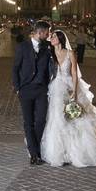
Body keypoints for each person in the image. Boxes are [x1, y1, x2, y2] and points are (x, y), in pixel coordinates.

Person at [40, 29, 96, 167]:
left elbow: (74, 74)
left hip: (69, 86)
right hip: (56, 89)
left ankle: (80, 151)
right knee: (57, 118)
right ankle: (62, 152)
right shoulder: (50, 53)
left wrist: (75, 92)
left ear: (61, 39)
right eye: (51, 37)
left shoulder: (70, 53)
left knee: (78, 118)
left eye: (54, 37)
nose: (52, 38)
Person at [11, 21, 56, 166]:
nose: (48, 35)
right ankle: (34, 154)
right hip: (26, 89)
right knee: (28, 122)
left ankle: (34, 149)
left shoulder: (47, 47)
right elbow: (15, 68)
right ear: (40, 32)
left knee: (41, 120)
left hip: (41, 89)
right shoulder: (22, 47)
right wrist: (18, 87)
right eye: (47, 33)